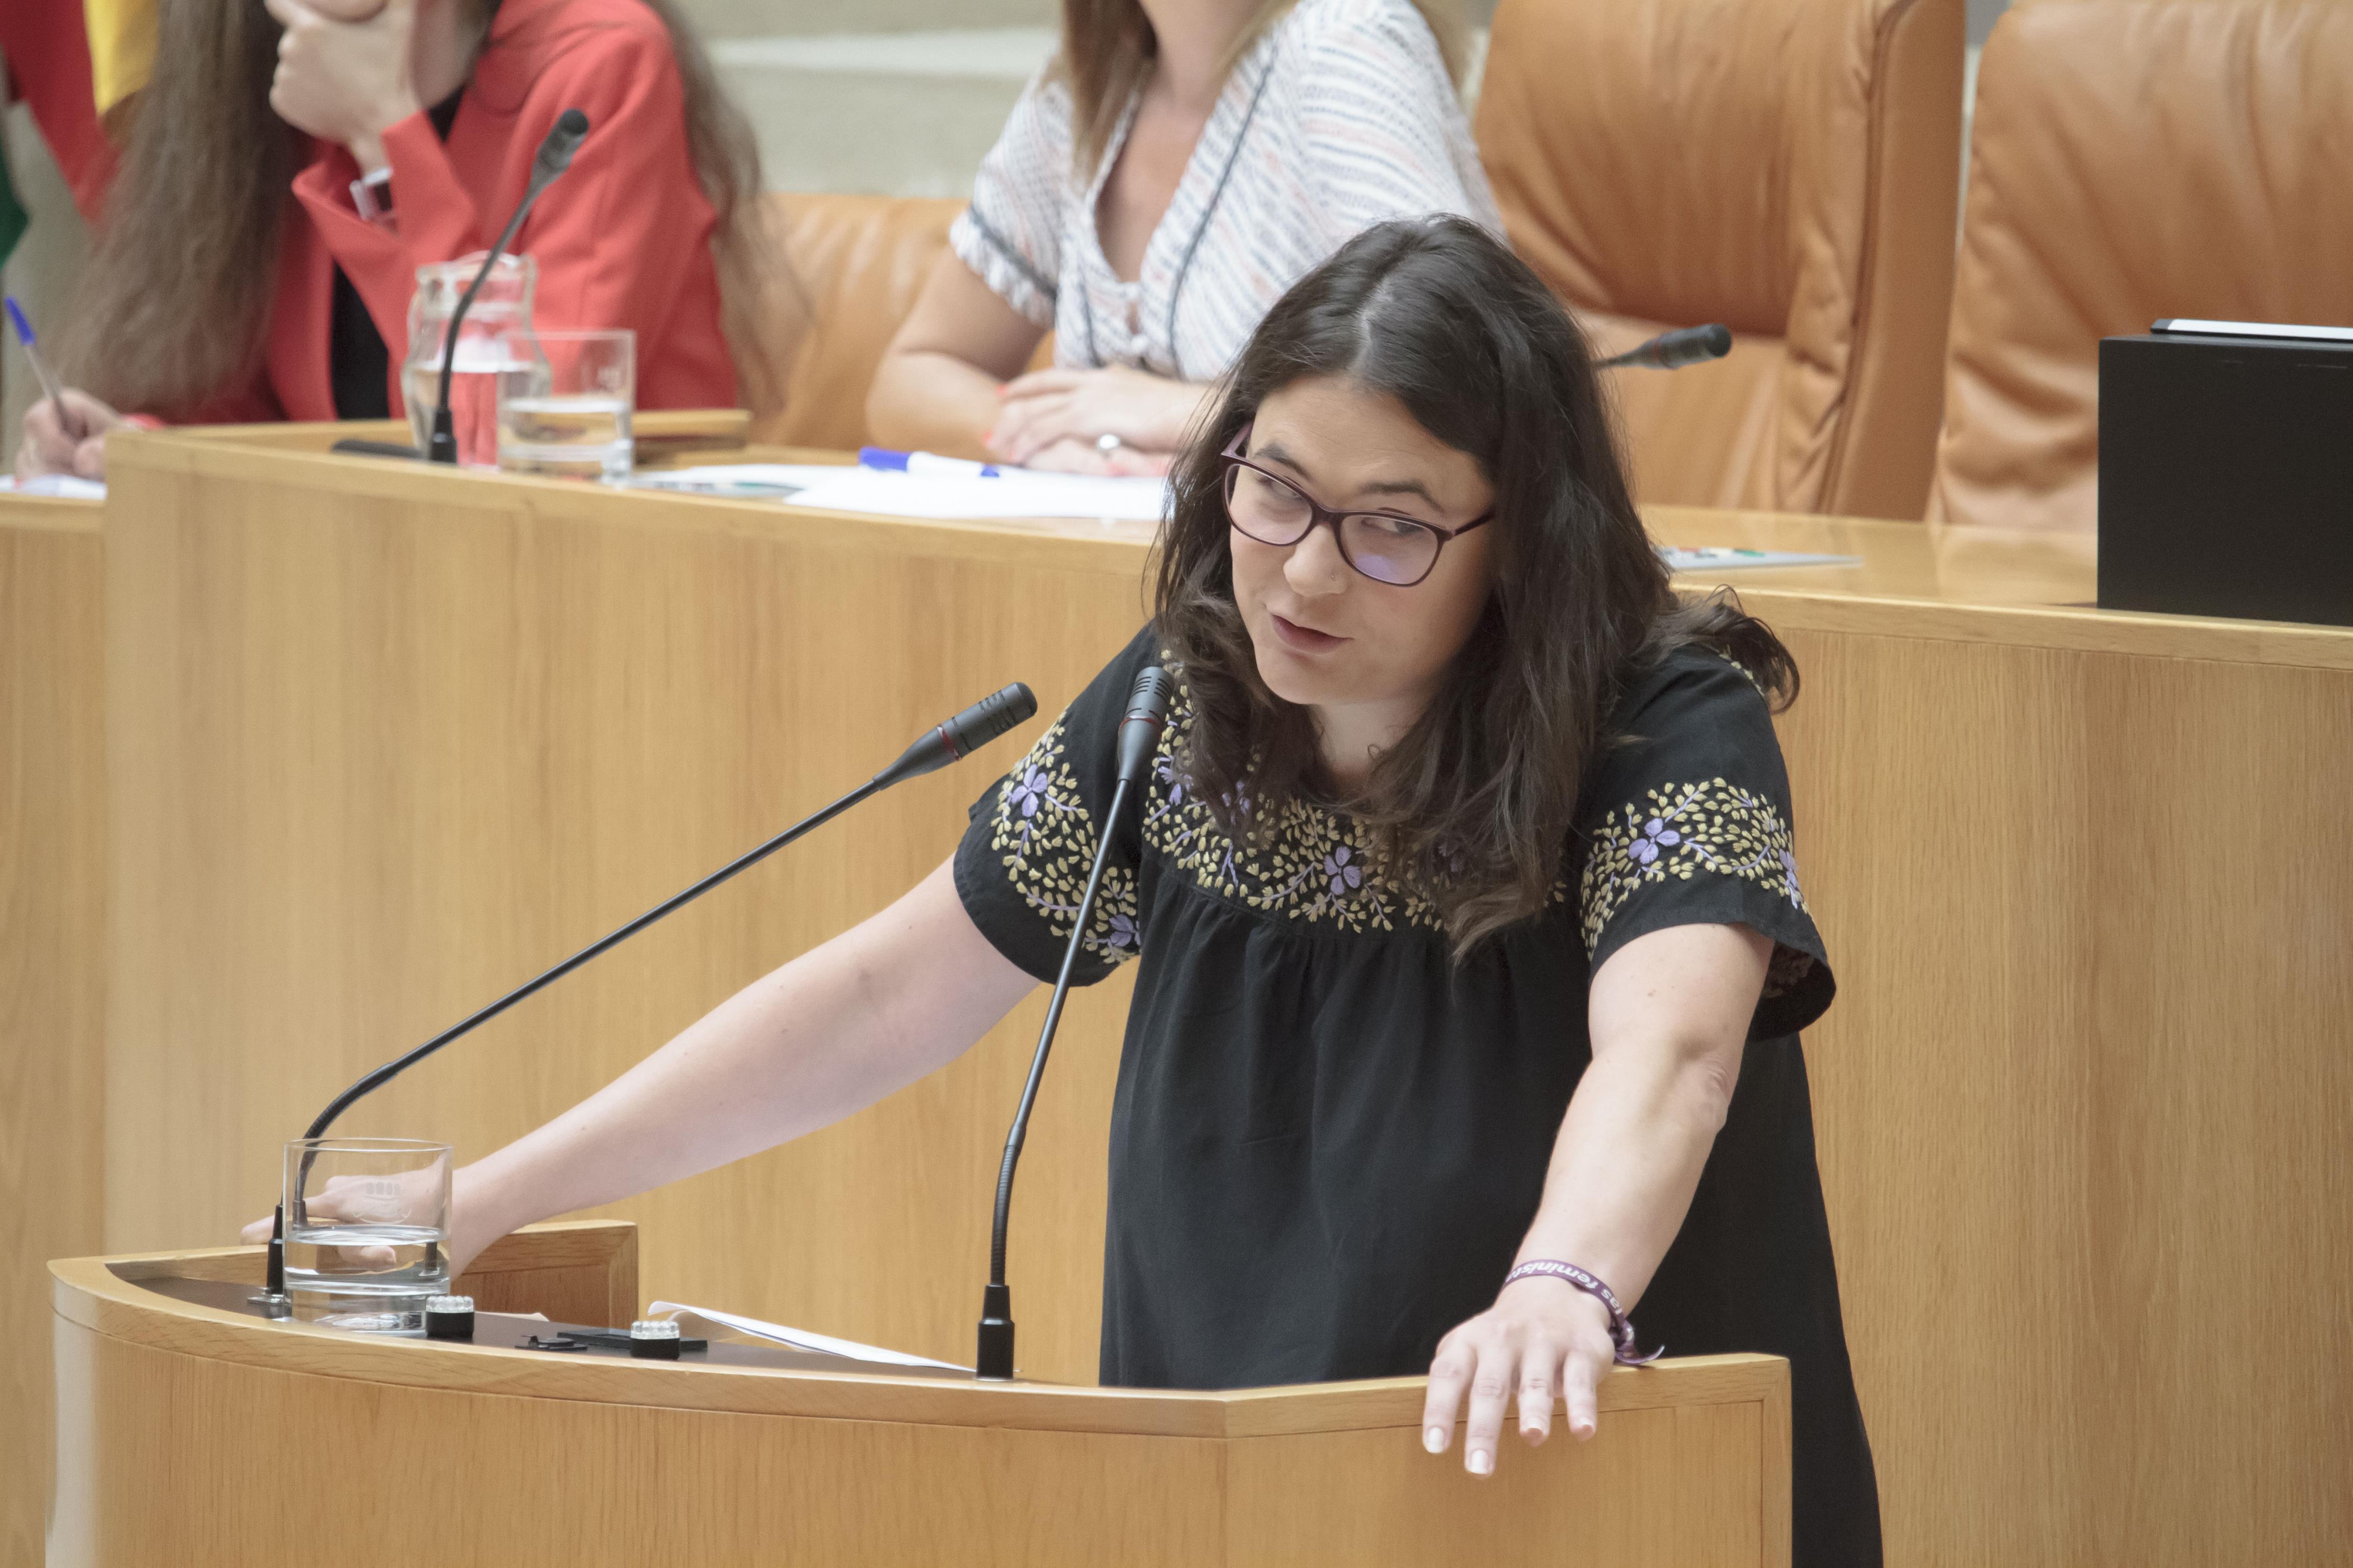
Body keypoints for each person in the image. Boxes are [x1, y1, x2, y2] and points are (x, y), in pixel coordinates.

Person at [249, 216, 1881, 1562]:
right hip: (1233, 1488)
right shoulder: (1186, 705)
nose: (1303, 569)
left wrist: (1558, 1284)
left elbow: (1671, 1049)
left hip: (1573, 1475)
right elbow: (893, 989)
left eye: (1387, 528)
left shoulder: (1658, 721)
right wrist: (495, 1196)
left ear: (1518, 541)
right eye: (1275, 489)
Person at [14, 0, 783, 482]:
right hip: (382, 584)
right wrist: (141, 453)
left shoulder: (604, 61)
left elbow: (518, 435)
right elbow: (272, 418)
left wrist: (387, 137)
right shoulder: (267, 93)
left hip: (609, 586)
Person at [866, 0, 1498, 475]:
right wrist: (1076, 443)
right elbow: (908, 384)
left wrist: (1185, 417)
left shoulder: (1347, 44)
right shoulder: (1084, 92)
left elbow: (1464, 379)